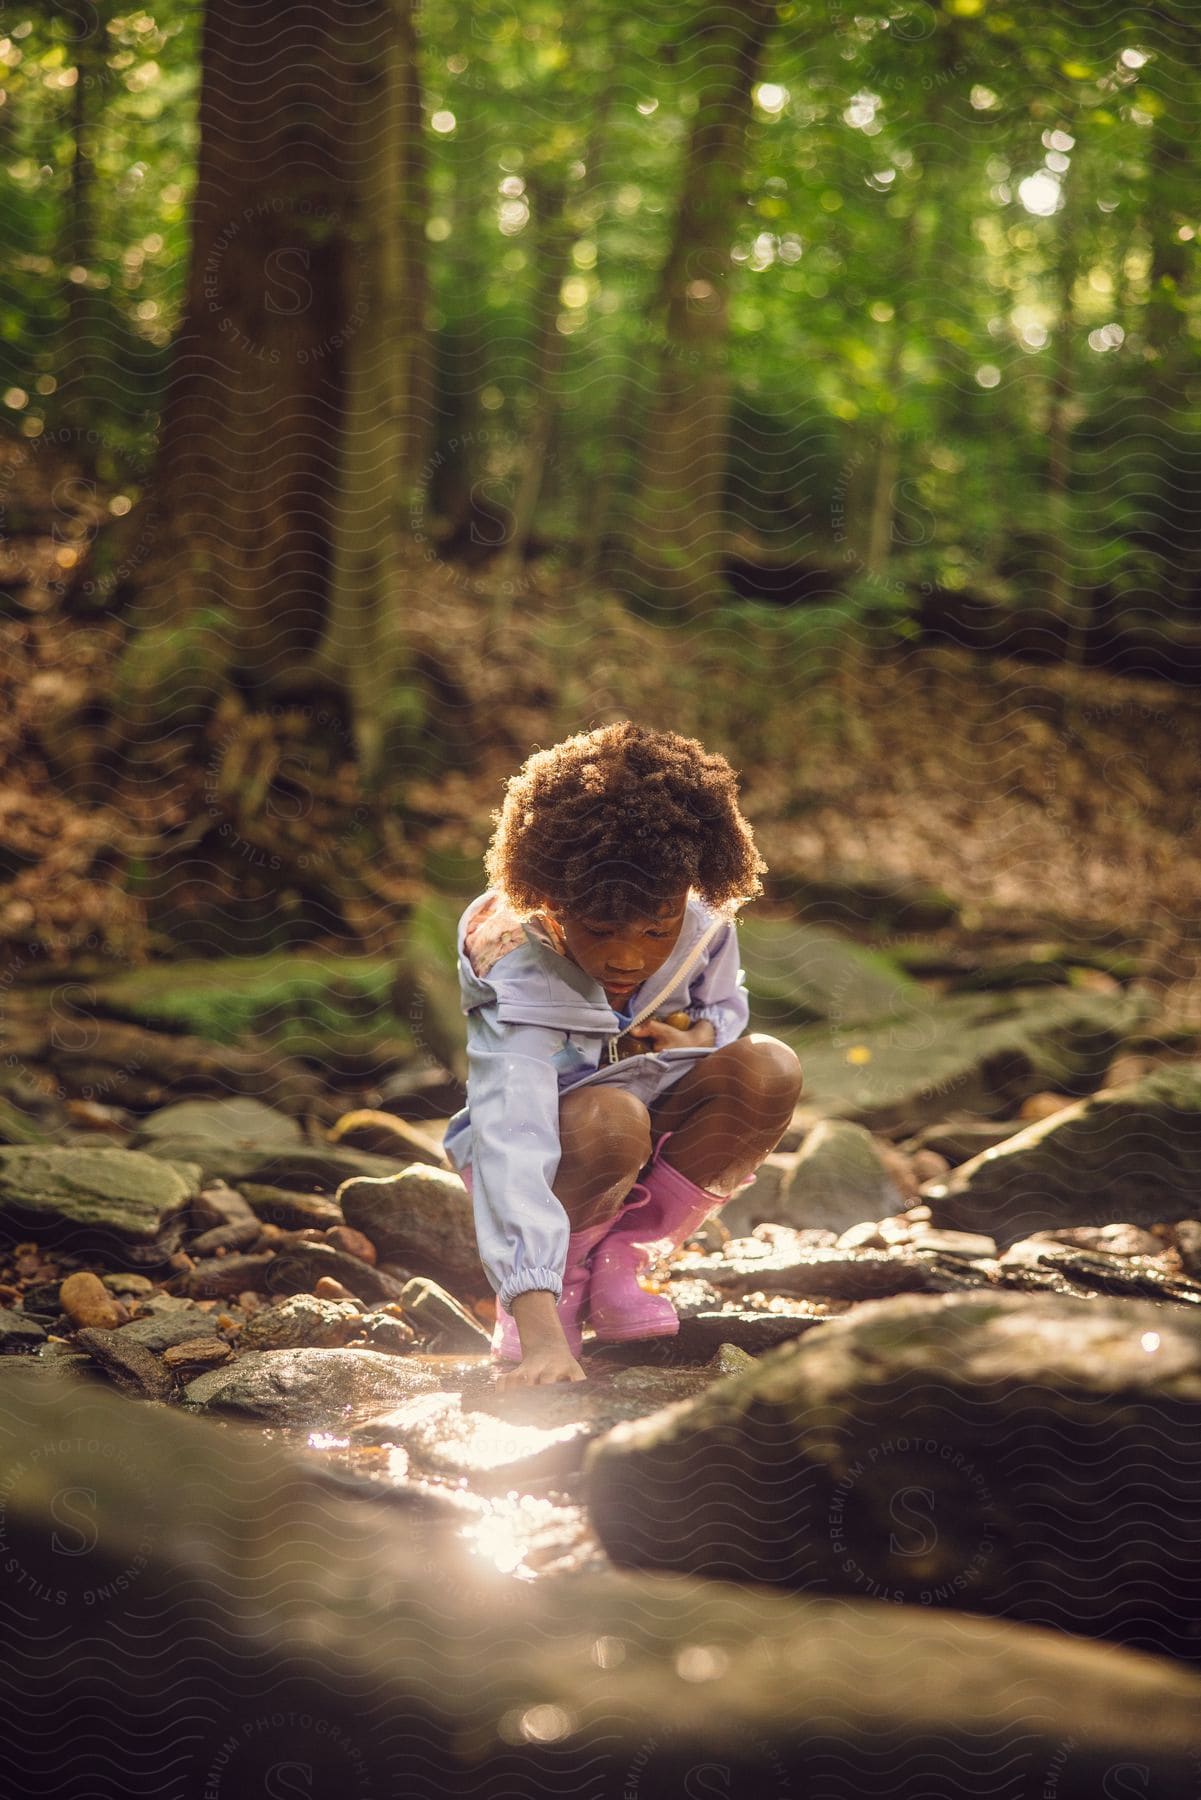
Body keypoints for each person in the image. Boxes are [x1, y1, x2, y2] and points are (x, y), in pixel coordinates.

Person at [442, 721, 803, 1388]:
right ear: (552, 905)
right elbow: (511, 1140)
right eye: (601, 929)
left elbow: (722, 1010)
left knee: (768, 1066)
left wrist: (699, 1037)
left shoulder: (696, 907)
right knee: (610, 1118)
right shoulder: (517, 963)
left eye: (654, 929)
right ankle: (560, 1283)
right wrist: (536, 1325)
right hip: (558, 1151)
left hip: (644, 1123)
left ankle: (625, 1263)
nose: (627, 957)